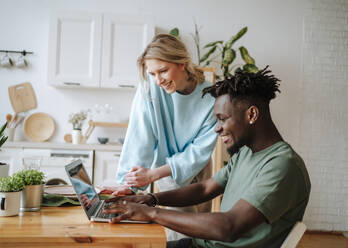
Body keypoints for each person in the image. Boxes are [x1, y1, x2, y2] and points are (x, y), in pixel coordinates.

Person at [102, 67, 311, 248]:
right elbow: (205, 189)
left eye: (222, 119)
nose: (217, 128)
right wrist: (151, 199)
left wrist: (151, 213)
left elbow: (229, 227)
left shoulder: (282, 165)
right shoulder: (247, 153)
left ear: (252, 115)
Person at [100, 33, 218, 240]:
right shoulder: (150, 86)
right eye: (152, 73)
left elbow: (198, 152)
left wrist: (152, 174)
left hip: (197, 168)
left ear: (182, 63)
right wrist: (128, 184)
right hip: (163, 170)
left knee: (200, 232)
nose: (158, 80)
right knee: (178, 234)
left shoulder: (210, 97)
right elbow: (139, 135)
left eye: (163, 71)